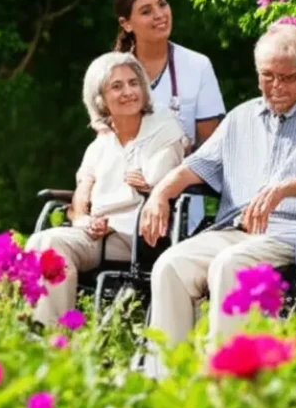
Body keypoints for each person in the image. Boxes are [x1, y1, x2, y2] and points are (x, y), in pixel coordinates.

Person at [137, 24, 296, 376]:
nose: (274, 87)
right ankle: (165, 380)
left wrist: (287, 188)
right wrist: (159, 194)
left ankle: (227, 380)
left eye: (286, 78)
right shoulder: (241, 117)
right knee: (171, 264)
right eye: (266, 76)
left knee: (230, 263)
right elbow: (192, 168)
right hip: (239, 229)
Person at [26, 52, 185, 327]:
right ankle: (49, 332)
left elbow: (159, 186)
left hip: (139, 236)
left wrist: (112, 221)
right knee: (43, 242)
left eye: (133, 83)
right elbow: (81, 195)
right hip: (96, 235)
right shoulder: (99, 146)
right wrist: (83, 219)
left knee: (50, 244)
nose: (128, 92)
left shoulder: (164, 131)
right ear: (101, 100)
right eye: (117, 86)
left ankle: (53, 333)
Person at [114, 0, 226, 236]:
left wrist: (166, 181)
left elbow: (211, 148)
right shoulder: (113, 72)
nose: (160, 15)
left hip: (180, 206)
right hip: (120, 198)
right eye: (146, 11)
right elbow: (106, 142)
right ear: (126, 24)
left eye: (162, 5)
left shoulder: (197, 67)